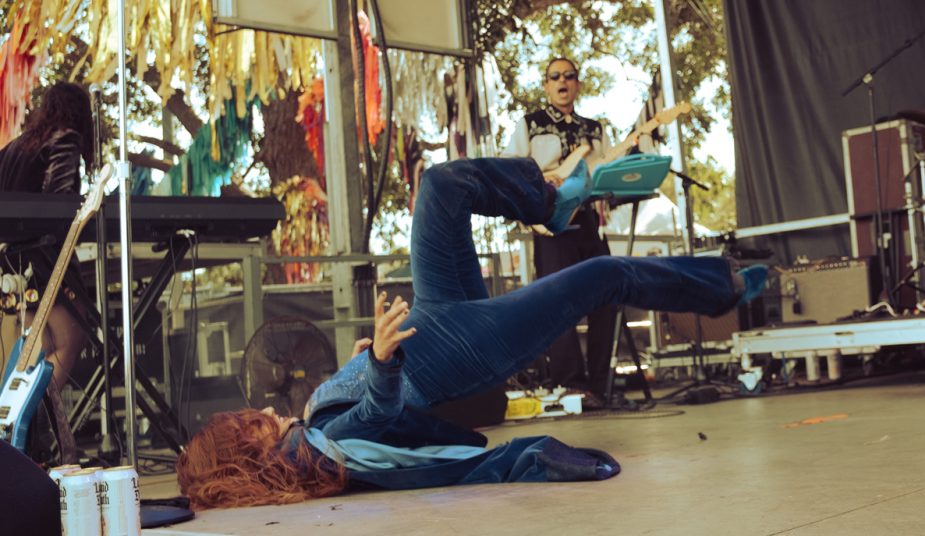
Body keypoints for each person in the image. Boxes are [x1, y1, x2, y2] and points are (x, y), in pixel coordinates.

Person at [175, 156, 767, 509]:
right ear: (251, 451)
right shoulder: (310, 451)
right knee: (603, 275)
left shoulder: (307, 429)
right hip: (463, 348)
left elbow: (368, 416)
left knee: (441, 185)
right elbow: (376, 414)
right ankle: (725, 288)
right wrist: (380, 364)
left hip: (435, 315)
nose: (262, 412)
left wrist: (361, 361)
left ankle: (551, 204)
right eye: (251, 424)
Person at [500, 57, 618, 402]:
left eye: (569, 76)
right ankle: (572, 384)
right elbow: (509, 168)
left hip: (587, 223)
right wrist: (542, 180)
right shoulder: (530, 124)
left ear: (578, 83)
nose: (562, 81)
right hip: (551, 223)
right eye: (555, 77)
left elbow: (606, 173)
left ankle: (601, 383)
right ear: (546, 85)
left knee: (608, 295)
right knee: (558, 302)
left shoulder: (594, 129)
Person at [0, 82, 95, 462]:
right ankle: (26, 422)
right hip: (45, 259)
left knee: (37, 353)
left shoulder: (13, 148)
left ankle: (35, 443)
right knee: (72, 337)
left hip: (12, 263)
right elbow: (60, 204)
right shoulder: (65, 139)